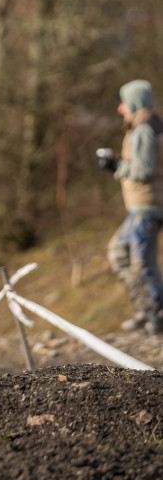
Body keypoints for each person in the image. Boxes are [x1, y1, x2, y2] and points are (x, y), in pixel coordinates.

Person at [96, 79, 163, 335]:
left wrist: (114, 165)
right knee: (119, 253)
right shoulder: (146, 125)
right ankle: (145, 311)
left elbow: (144, 169)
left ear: (134, 102)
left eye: (123, 103)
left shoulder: (144, 129)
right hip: (142, 206)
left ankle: (156, 316)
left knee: (142, 263)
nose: (120, 109)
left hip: (147, 206)